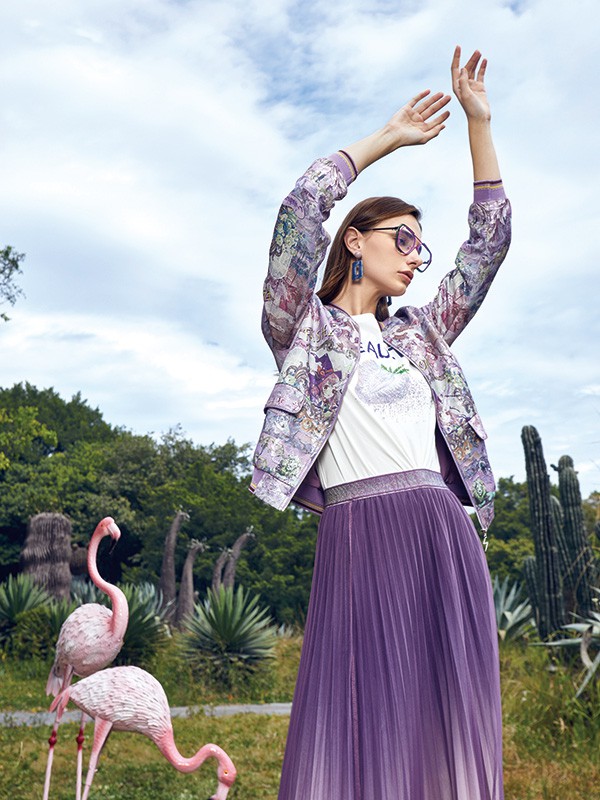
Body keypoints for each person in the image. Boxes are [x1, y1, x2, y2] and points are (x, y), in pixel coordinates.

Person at [250, 46, 511, 800]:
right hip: (359, 535)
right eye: (402, 236)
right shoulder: (302, 328)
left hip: (440, 532)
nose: (415, 255)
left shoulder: (422, 332)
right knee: (361, 717)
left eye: (421, 246)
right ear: (355, 240)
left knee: (442, 723)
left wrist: (478, 123)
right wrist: (387, 140)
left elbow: (488, 245)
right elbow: (298, 211)